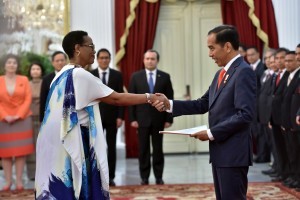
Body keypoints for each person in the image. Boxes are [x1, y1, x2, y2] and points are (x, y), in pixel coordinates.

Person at [34, 30, 167, 200]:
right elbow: (117, 98)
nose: (94, 51)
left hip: (54, 141)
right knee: (74, 187)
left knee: (58, 187)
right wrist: (150, 97)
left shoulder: (59, 75)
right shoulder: (80, 75)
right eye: (91, 46)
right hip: (73, 140)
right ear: (77, 48)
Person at [153, 25, 256, 200]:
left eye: (212, 48)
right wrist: (169, 103)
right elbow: (203, 104)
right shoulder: (220, 74)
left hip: (233, 154)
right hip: (220, 152)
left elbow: (245, 115)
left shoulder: (243, 72)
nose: (210, 54)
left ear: (228, 46)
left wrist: (210, 133)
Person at [128, 49, 174, 185]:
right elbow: (131, 98)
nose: (149, 61)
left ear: (157, 61)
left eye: (152, 59)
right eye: (147, 58)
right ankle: (144, 177)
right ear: (143, 60)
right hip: (141, 120)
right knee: (143, 149)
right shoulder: (136, 77)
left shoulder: (165, 77)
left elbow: (169, 98)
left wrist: (169, 118)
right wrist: (133, 118)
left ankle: (159, 176)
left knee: (158, 148)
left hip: (159, 119)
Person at [90, 48, 124, 186]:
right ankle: (97, 176)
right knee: (96, 147)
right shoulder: (90, 75)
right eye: (101, 58)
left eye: (106, 58)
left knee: (111, 147)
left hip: (112, 117)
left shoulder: (117, 75)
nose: (104, 60)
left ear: (110, 59)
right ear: (97, 59)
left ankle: (110, 176)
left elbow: (121, 96)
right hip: (95, 117)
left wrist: (120, 116)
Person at [0, 54, 34, 191]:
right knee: (5, 152)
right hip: (3, 121)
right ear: (4, 65)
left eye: (14, 62)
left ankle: (19, 182)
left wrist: (18, 115)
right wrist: (5, 115)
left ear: (17, 65)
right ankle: (8, 182)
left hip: (23, 119)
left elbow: (28, 99)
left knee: (21, 152)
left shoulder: (24, 79)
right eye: (9, 62)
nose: (12, 65)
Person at [280, 51, 300, 189]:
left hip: (295, 122)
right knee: (290, 151)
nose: (287, 63)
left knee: (297, 152)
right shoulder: (287, 75)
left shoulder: (298, 76)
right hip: (286, 121)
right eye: (285, 61)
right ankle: (293, 176)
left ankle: (298, 178)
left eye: (290, 60)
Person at [25, 62, 44, 180]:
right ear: (30, 71)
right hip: (29, 117)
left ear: (41, 71)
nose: (35, 71)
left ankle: (44, 172)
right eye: (33, 69)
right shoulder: (26, 84)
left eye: (38, 69)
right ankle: (32, 174)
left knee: (43, 144)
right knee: (30, 145)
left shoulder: (45, 83)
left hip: (43, 117)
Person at [39, 51, 67, 122]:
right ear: (53, 63)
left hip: (68, 114)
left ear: (66, 61)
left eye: (62, 60)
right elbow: (43, 99)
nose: (60, 63)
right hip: (52, 115)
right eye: (57, 61)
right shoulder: (46, 79)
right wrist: (42, 119)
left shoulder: (72, 76)